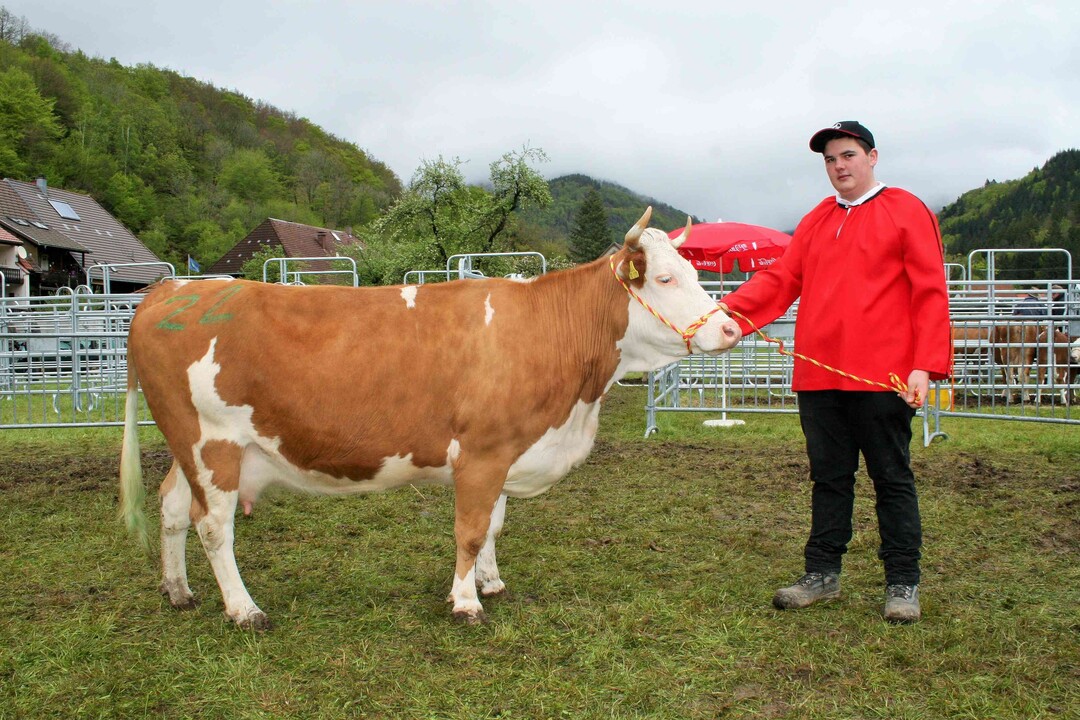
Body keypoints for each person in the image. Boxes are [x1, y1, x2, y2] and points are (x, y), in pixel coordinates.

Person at [720, 121, 952, 623]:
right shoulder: (817, 219)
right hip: (819, 373)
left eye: (847, 155)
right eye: (829, 160)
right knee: (828, 478)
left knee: (891, 477)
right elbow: (782, 278)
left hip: (883, 376)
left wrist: (925, 366)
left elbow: (931, 290)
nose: (838, 166)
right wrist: (730, 316)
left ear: (872, 157)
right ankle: (821, 575)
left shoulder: (906, 210)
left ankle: (902, 582)